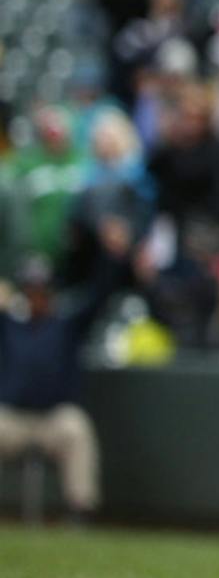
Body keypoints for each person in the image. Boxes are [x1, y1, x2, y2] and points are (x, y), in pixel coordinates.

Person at [0, 217, 132, 521]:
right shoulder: (7, 324)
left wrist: (110, 255)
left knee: (76, 428)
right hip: (13, 417)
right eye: (31, 290)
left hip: (53, 418)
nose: (37, 297)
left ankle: (80, 509)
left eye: (42, 290)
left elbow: (102, 294)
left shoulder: (66, 323)